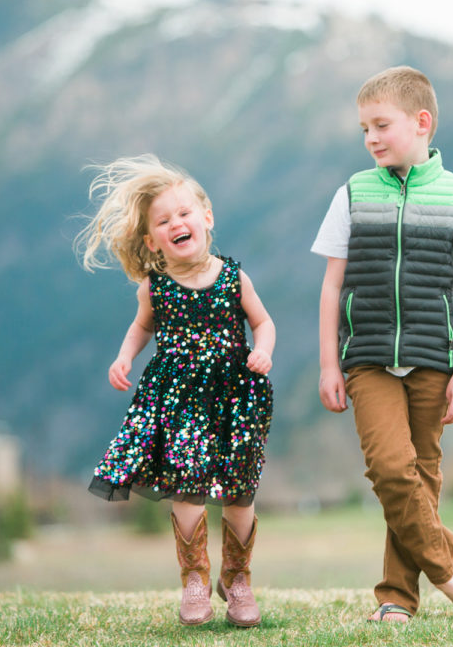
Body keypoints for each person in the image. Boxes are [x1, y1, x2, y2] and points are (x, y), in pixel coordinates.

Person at [312, 66, 453, 623]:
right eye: (364, 129)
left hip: (433, 360)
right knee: (391, 470)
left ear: (421, 123)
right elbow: (331, 286)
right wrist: (330, 363)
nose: (371, 137)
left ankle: (397, 599)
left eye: (381, 125)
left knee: (420, 478)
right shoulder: (351, 193)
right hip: (367, 358)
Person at [77, 154, 274, 628]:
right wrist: (124, 357)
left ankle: (238, 577)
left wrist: (263, 351)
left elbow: (262, 322)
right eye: (164, 221)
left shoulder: (233, 277)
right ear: (151, 240)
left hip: (236, 398)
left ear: (206, 218)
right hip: (180, 400)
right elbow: (139, 329)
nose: (177, 223)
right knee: (187, 485)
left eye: (185, 213)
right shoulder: (155, 288)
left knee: (240, 490)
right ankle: (195, 579)